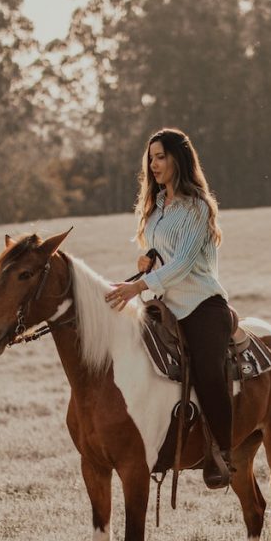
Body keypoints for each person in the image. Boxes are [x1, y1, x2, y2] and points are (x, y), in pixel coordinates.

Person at [104, 128, 233, 489]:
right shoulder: (156, 208)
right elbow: (162, 259)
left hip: (201, 306)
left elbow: (183, 265)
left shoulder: (197, 208)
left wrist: (137, 286)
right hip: (165, 307)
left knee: (208, 373)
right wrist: (146, 260)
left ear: (179, 159)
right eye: (151, 158)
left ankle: (223, 452)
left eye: (161, 156)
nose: (154, 164)